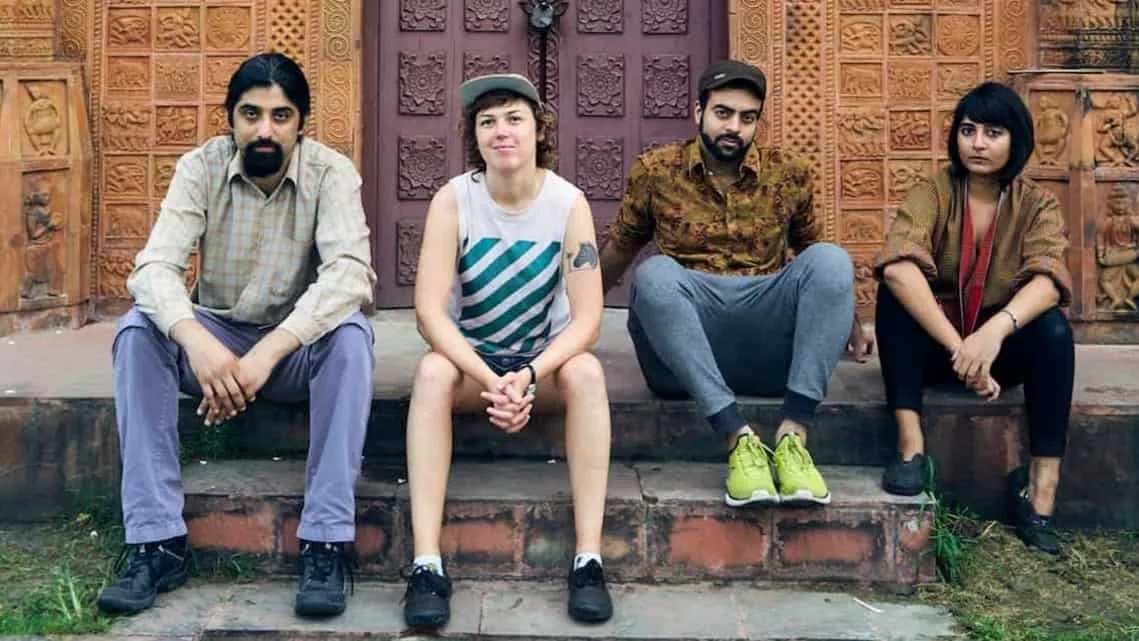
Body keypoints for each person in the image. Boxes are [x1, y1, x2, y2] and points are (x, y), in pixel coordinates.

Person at [96, 52, 378, 617]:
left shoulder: (331, 172)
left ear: (301, 124)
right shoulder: (200, 167)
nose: (264, 129)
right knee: (137, 332)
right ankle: (156, 542)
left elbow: (350, 274)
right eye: (251, 114)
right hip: (215, 343)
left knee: (351, 335)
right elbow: (153, 268)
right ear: (230, 119)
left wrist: (267, 354)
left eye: (281, 115)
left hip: (292, 349)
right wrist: (199, 343)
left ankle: (325, 540)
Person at [598, 59, 872, 509]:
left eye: (747, 118)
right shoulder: (656, 171)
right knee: (654, 275)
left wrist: (849, 322)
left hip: (766, 346)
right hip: (681, 356)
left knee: (832, 259)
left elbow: (814, 256)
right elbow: (620, 249)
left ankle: (793, 437)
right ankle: (737, 438)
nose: (734, 127)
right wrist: (571, 321)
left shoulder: (789, 173)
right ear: (698, 112)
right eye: (723, 113)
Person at [401, 73, 613, 629]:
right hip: (475, 371)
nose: (501, 131)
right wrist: (492, 379)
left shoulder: (568, 204)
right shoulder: (454, 200)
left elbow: (588, 320)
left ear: (539, 130)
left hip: (541, 368)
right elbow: (428, 313)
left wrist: (528, 374)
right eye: (487, 121)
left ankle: (589, 560)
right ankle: (426, 564)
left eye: (514, 118)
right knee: (430, 373)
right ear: (474, 136)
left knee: (588, 373)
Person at [873, 81, 1074, 555]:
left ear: (1016, 140)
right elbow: (898, 264)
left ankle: (1040, 491)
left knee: (1054, 330)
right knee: (893, 292)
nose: (978, 144)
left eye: (993, 133)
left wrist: (992, 334)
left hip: (998, 356)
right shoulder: (933, 191)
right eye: (968, 131)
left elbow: (1049, 280)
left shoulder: (1036, 203)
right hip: (937, 351)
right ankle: (911, 448)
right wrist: (960, 347)